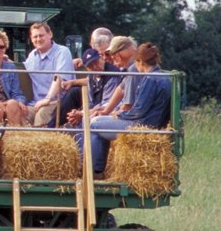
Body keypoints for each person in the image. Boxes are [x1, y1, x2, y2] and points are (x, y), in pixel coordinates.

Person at [79, 42, 171, 173]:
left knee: (93, 124)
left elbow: (138, 111)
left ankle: (93, 171)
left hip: (142, 125)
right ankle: (96, 168)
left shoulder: (150, 79)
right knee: (98, 122)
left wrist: (119, 115)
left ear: (140, 61)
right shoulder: (164, 77)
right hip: (152, 122)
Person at [24, 22, 75, 126]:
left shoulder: (62, 52)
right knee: (21, 113)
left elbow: (59, 78)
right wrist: (5, 60)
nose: (38, 39)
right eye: (35, 36)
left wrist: (47, 99)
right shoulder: (31, 56)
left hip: (58, 102)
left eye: (41, 35)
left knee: (42, 114)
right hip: (36, 103)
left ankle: (41, 142)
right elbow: (22, 68)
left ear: (50, 34)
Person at [59, 48, 121, 127]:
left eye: (96, 62)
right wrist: (79, 113)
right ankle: (53, 127)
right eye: (90, 66)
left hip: (109, 113)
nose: (95, 67)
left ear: (101, 58)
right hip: (95, 112)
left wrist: (82, 113)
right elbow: (90, 102)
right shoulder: (91, 77)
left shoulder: (112, 75)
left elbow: (106, 105)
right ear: (86, 68)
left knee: (87, 122)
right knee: (74, 117)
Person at [92, 36, 138, 117]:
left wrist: (111, 114)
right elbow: (120, 89)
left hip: (135, 118)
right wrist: (105, 111)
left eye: (114, 54)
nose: (112, 58)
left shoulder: (134, 70)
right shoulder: (128, 70)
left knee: (95, 122)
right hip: (129, 115)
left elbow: (127, 107)